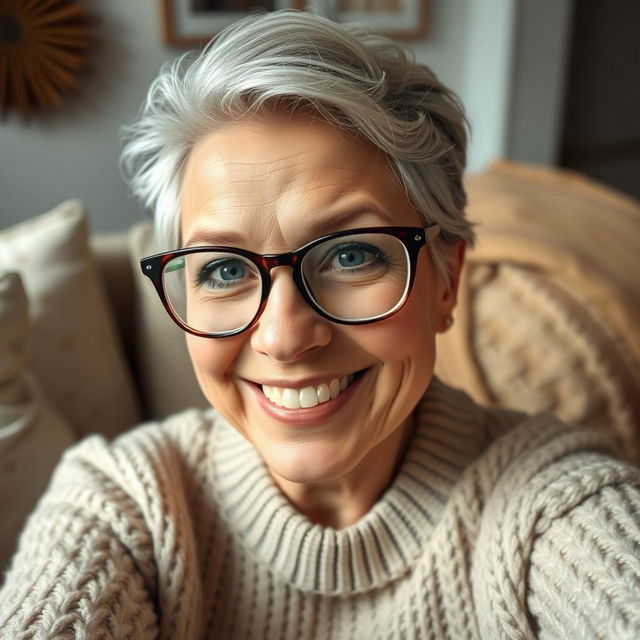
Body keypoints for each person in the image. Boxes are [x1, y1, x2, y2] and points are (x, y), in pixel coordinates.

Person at [1, 10, 639, 639]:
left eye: (351, 254)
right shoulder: (124, 504)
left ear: (447, 279)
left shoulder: (551, 505)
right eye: (224, 269)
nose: (282, 337)